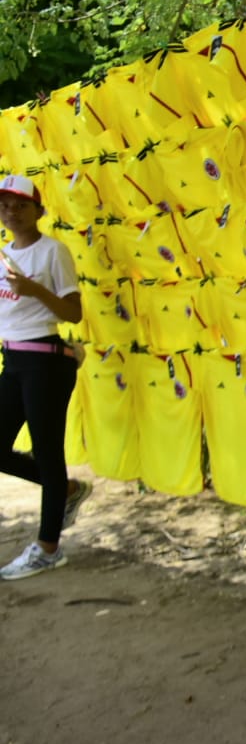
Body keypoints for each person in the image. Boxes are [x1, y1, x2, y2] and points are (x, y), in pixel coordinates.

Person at [0, 174, 93, 581]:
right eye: (4, 205)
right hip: (14, 362)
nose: (11, 211)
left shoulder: (53, 252)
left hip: (46, 364)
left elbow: (73, 313)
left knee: (49, 452)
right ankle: (67, 492)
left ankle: (48, 548)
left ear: (38, 210)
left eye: (20, 204)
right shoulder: (3, 255)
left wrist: (35, 290)